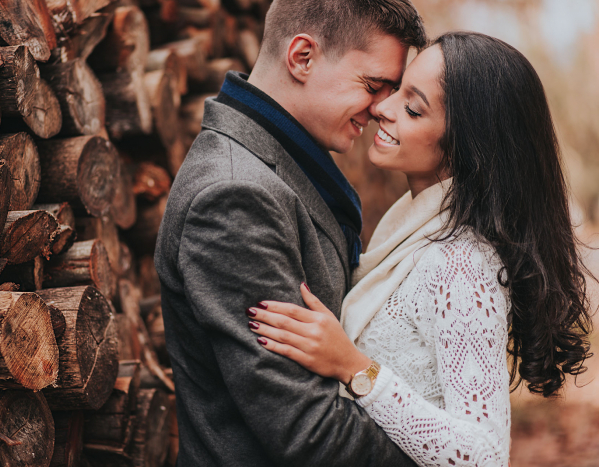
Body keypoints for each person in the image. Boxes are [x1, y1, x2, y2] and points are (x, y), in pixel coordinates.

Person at [247, 32, 594, 467]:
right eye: (394, 93)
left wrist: (355, 368)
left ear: (467, 146)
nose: (381, 109)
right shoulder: (409, 230)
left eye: (412, 108)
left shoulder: (459, 262)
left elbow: (483, 456)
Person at [154, 0, 428, 465]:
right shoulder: (234, 196)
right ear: (302, 57)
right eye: (373, 85)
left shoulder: (284, 167)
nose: (383, 108)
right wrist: (441, 453)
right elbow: (308, 432)